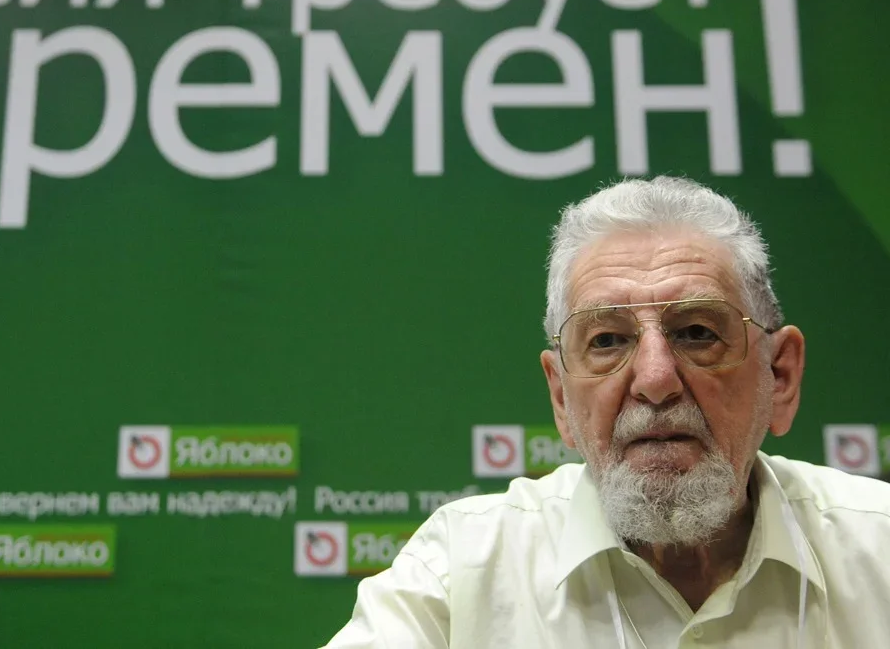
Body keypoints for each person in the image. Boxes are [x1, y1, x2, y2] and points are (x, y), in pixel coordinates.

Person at [322, 176, 890, 648]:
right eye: (608, 341)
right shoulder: (461, 571)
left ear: (780, 376)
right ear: (561, 397)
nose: (655, 380)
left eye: (697, 332)